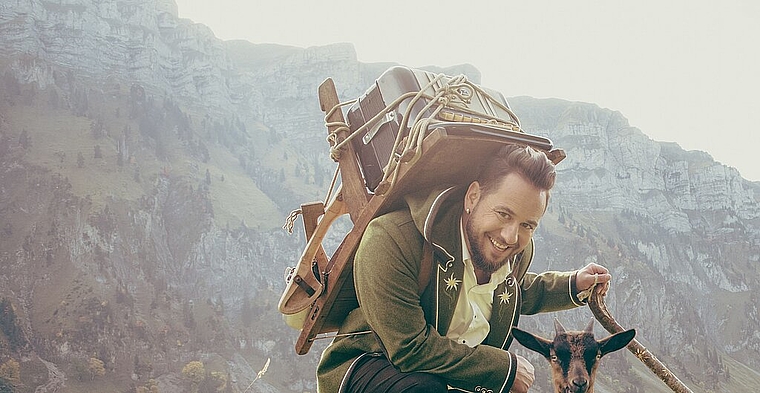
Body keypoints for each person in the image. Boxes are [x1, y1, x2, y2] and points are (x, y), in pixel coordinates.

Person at [316, 144, 611, 393]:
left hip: (450, 376)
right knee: (422, 388)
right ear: (472, 197)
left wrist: (573, 285)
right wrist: (503, 369)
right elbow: (409, 349)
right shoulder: (392, 239)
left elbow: (515, 289)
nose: (510, 236)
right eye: (503, 213)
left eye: (527, 225)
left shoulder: (517, 250)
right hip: (370, 368)